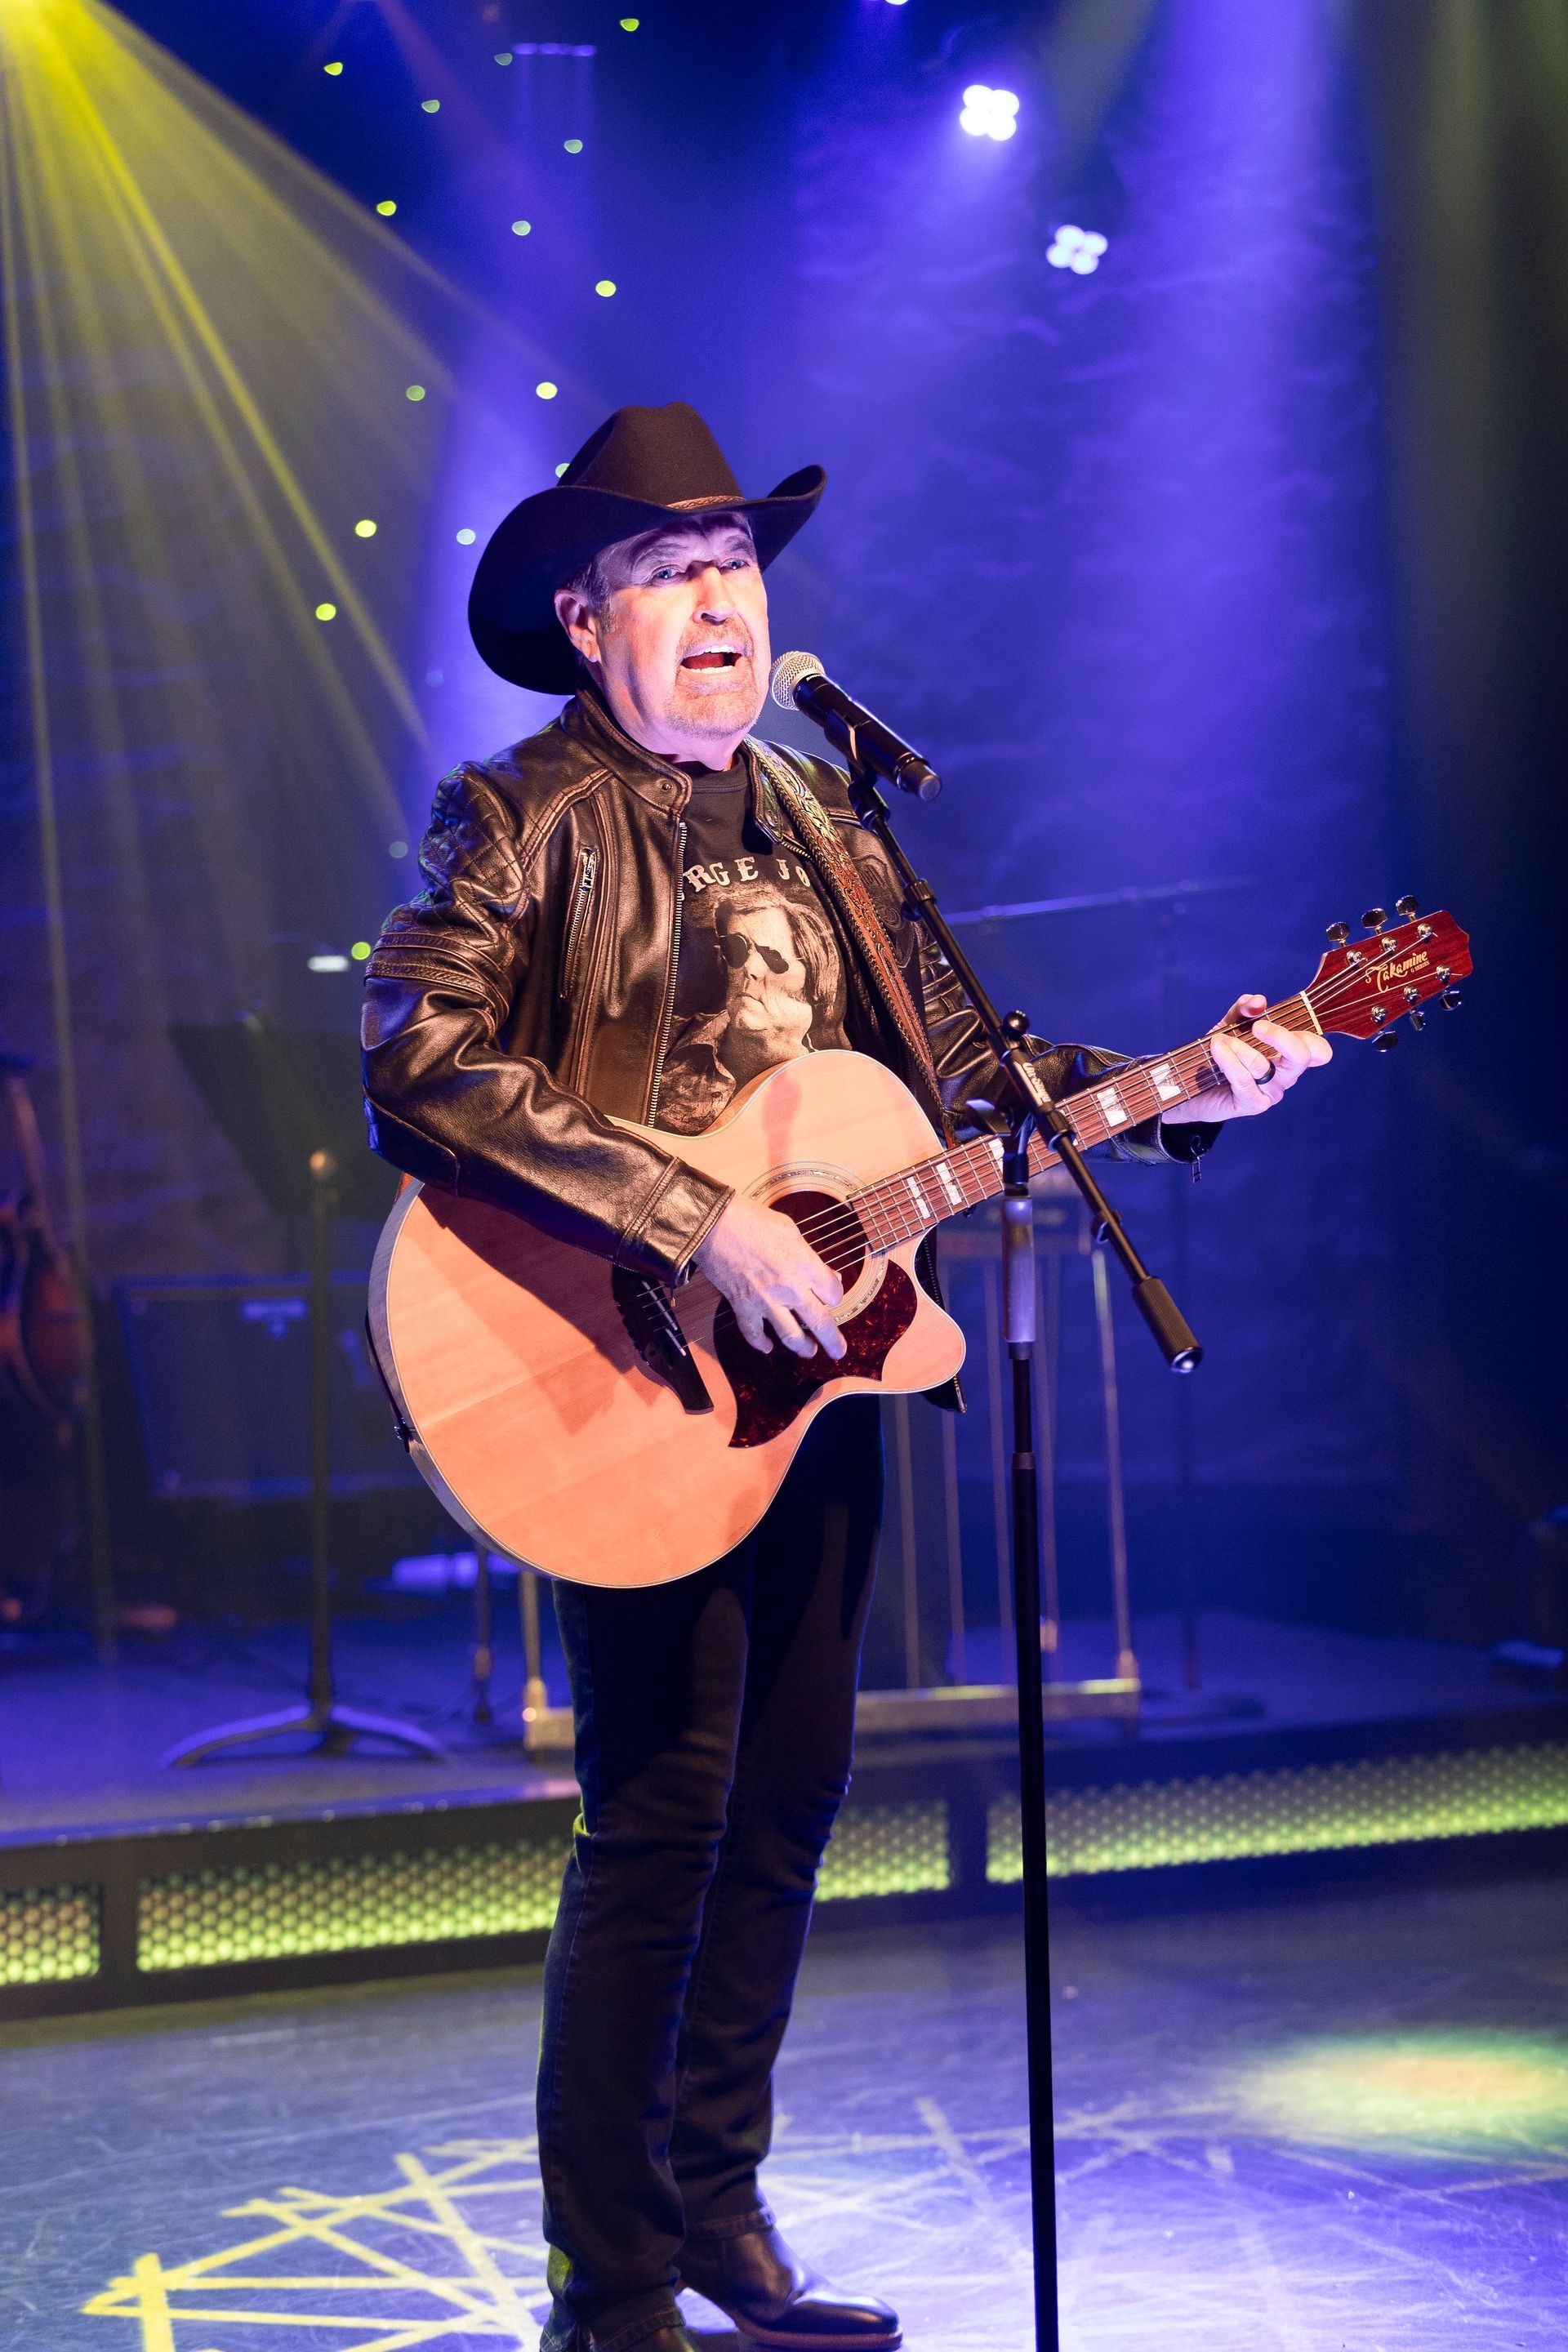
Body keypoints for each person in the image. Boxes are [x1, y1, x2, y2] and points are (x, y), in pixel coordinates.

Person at [361, 402, 1331, 2352]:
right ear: (583, 616)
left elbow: (979, 1076)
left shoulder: (828, 820)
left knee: (793, 1798)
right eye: (672, 570)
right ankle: (608, 2276)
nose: (721, 601)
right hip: (617, 1368)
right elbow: (417, 1048)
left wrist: (1194, 1085)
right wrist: (686, 1220)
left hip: (821, 1377)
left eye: (738, 564)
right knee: (662, 1813)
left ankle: (715, 2213)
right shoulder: (520, 810)